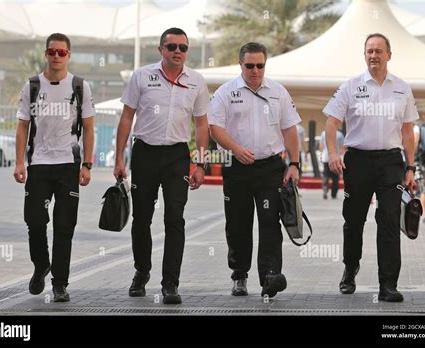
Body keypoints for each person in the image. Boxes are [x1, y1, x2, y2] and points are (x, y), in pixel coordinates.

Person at [114, 28, 209, 305]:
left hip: (177, 156)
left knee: (175, 218)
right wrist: (120, 158)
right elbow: (126, 118)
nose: (177, 52)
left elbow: (201, 124)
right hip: (144, 153)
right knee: (142, 218)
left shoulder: (197, 81)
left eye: (183, 47)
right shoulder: (141, 76)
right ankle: (141, 273)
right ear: (161, 50)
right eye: (171, 47)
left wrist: (200, 162)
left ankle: (170, 284)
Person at [323, 33, 418, 302]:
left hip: (390, 162)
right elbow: (331, 122)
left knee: (388, 220)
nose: (373, 55)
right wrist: (332, 153)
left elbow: (408, 131)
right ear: (364, 55)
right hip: (358, 161)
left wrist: (410, 168)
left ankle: (388, 284)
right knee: (354, 221)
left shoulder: (402, 88)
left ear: (389, 54)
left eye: (378, 50)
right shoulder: (350, 86)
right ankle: (350, 268)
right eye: (369, 51)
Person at [209, 42, 301, 298]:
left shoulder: (278, 92)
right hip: (237, 168)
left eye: (260, 65)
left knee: (270, 222)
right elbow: (215, 128)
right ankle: (239, 274)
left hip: (271, 168)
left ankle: (270, 276)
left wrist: (294, 164)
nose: (255, 70)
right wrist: (236, 149)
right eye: (249, 65)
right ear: (241, 65)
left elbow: (290, 129)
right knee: (238, 223)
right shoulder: (226, 93)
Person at [14, 33, 95, 302]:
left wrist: (87, 164)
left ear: (68, 55)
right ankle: (41, 265)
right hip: (38, 165)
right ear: (46, 54)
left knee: (64, 227)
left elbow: (89, 128)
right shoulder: (33, 85)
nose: (56, 56)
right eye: (52, 52)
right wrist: (18, 162)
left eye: (62, 52)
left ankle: (60, 283)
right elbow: (23, 125)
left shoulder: (80, 86)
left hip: (68, 167)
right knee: (35, 222)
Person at [319, 128, 345, 199]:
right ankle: (334, 194)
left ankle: (325, 190)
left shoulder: (324, 133)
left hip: (326, 157)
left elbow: (321, 146)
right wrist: (344, 156)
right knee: (336, 177)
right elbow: (342, 147)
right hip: (336, 158)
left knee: (326, 175)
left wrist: (321, 154)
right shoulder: (340, 134)